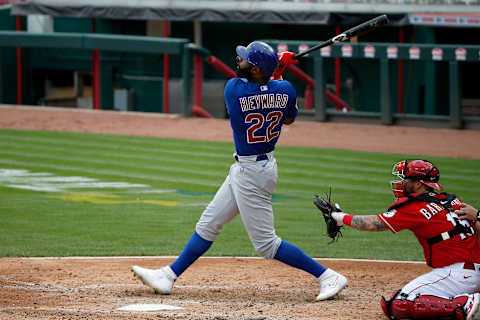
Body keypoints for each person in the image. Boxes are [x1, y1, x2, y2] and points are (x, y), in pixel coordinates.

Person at [132, 41, 347, 301]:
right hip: (254, 167)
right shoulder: (287, 89)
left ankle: (327, 276)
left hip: (252, 173)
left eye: (246, 60)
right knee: (209, 223)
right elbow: (287, 116)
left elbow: (258, 90)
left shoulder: (234, 89)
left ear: (256, 70)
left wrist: (276, 69)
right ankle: (168, 275)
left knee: (266, 244)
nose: (240, 62)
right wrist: (278, 74)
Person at [319, 159, 480, 320]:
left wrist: (340, 217)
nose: (401, 182)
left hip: (457, 274)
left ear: (418, 184)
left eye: (406, 179)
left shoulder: (415, 206)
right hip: (472, 271)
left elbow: (377, 223)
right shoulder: (453, 201)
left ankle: (466, 303)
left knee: (400, 303)